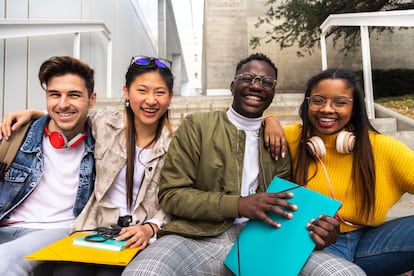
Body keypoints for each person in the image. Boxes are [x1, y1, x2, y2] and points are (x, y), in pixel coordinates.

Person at [122, 53, 366, 275]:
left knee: (347, 273)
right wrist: (238, 205)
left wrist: (317, 232)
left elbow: (287, 205)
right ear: (232, 85)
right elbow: (172, 195)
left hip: (265, 240)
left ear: (273, 92)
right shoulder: (198, 126)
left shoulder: (280, 141)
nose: (256, 85)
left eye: (266, 82)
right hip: (197, 236)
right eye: (247, 78)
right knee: (144, 272)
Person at [2, 56, 174, 276]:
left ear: (170, 97)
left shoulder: (177, 143)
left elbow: (177, 197)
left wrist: (151, 227)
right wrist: (35, 115)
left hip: (139, 233)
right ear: (126, 92)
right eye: (142, 90)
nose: (151, 100)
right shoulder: (106, 125)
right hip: (96, 228)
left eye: (159, 92)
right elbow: (67, 115)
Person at [264, 68, 414, 275]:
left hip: (370, 243)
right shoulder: (291, 138)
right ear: (307, 103)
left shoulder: (383, 147)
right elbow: (248, 127)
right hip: (312, 245)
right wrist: (269, 120)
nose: (327, 109)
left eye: (340, 102)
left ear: (354, 109)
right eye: (318, 100)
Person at [0, 55, 96, 275]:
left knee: (4, 260)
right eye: (55, 95)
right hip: (7, 225)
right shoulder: (16, 135)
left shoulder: (104, 139)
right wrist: (38, 116)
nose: (63, 104)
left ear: (91, 100)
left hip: (56, 230)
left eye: (74, 95)